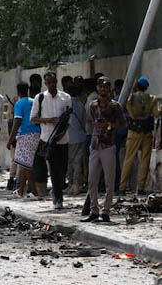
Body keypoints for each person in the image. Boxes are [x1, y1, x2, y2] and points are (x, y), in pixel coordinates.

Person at [84, 77, 127, 222]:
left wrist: (108, 125)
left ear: (109, 89)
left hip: (108, 145)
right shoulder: (93, 105)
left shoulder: (115, 106)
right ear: (98, 88)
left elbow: (123, 124)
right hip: (95, 145)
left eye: (106, 87)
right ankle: (94, 210)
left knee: (109, 180)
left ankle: (106, 211)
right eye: (101, 87)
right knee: (92, 180)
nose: (103, 89)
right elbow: (92, 122)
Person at [30, 71, 72, 211]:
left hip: (63, 139)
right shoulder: (40, 98)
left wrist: (62, 132)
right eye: (49, 82)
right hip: (47, 139)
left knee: (63, 169)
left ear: (56, 81)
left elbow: (68, 119)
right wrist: (48, 120)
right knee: (53, 169)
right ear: (45, 83)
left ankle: (57, 190)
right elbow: (33, 118)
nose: (52, 84)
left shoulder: (65, 97)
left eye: (53, 82)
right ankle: (58, 198)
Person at [119, 77, 156, 194]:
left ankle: (122, 187)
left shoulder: (132, 98)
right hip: (147, 132)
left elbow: (131, 115)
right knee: (145, 161)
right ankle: (140, 188)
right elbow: (156, 113)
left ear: (137, 85)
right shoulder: (152, 98)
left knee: (128, 159)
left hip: (134, 132)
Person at [7, 82, 39, 198]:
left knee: (25, 164)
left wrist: (10, 139)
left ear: (18, 92)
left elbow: (17, 122)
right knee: (25, 163)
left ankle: (34, 191)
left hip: (25, 135)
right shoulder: (33, 101)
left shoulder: (19, 104)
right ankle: (21, 190)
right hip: (36, 134)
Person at [65, 81, 88, 195]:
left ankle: (71, 184)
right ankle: (76, 184)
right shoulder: (81, 104)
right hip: (81, 136)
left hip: (70, 137)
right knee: (78, 161)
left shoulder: (67, 105)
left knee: (70, 162)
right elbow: (84, 121)